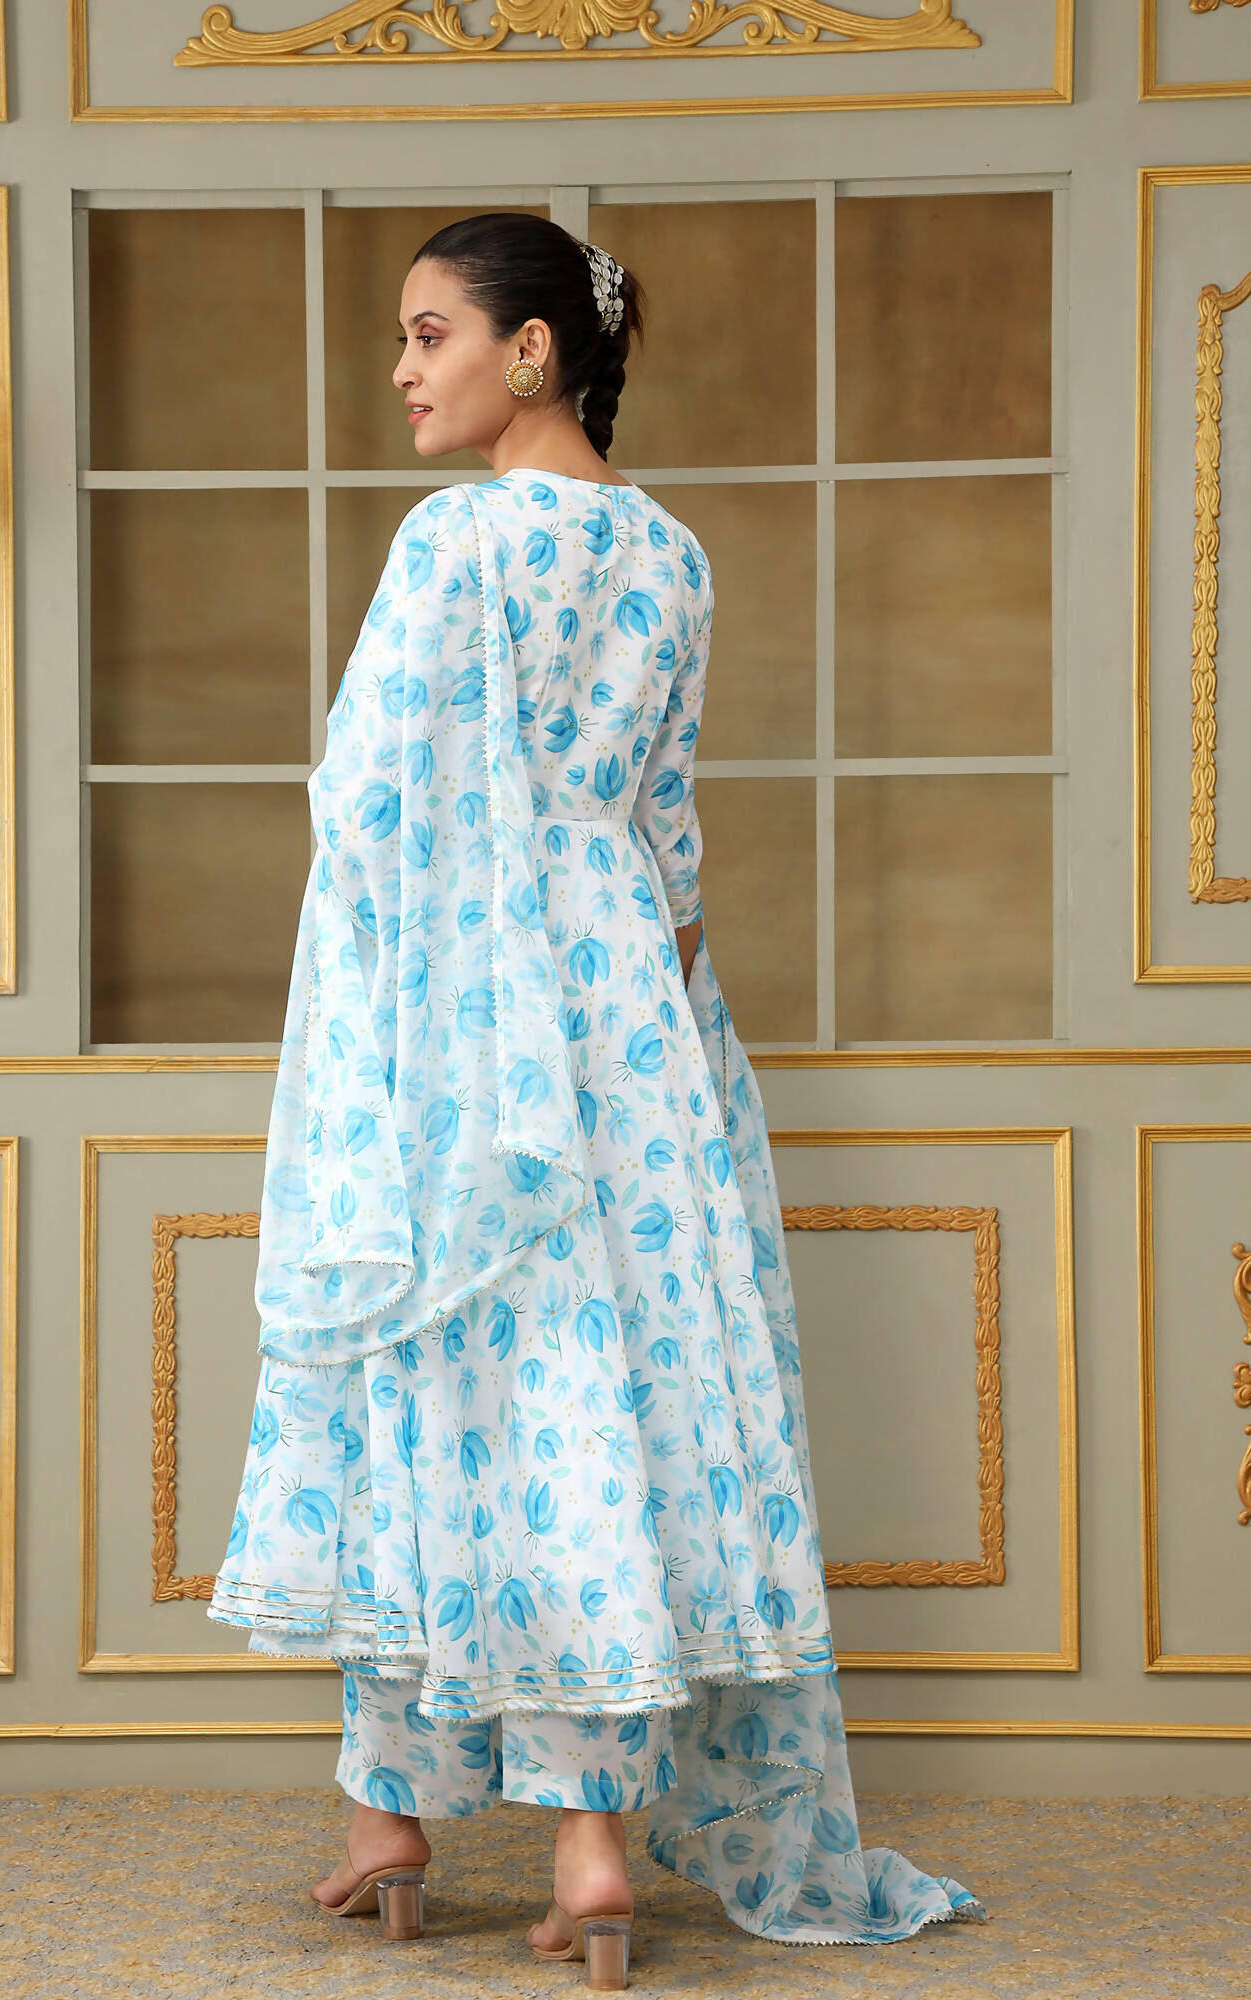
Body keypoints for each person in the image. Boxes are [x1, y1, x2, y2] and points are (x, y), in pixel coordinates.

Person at [210, 212, 983, 1985]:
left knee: (435, 1366)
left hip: (468, 1005)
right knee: (598, 1393)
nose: (402, 372)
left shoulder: (455, 538)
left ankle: (393, 1815)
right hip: (629, 1007)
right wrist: (670, 1029)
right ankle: (591, 1848)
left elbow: (367, 798)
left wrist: (369, 1026)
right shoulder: (671, 555)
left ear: (535, 348)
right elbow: (669, 832)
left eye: (429, 335)